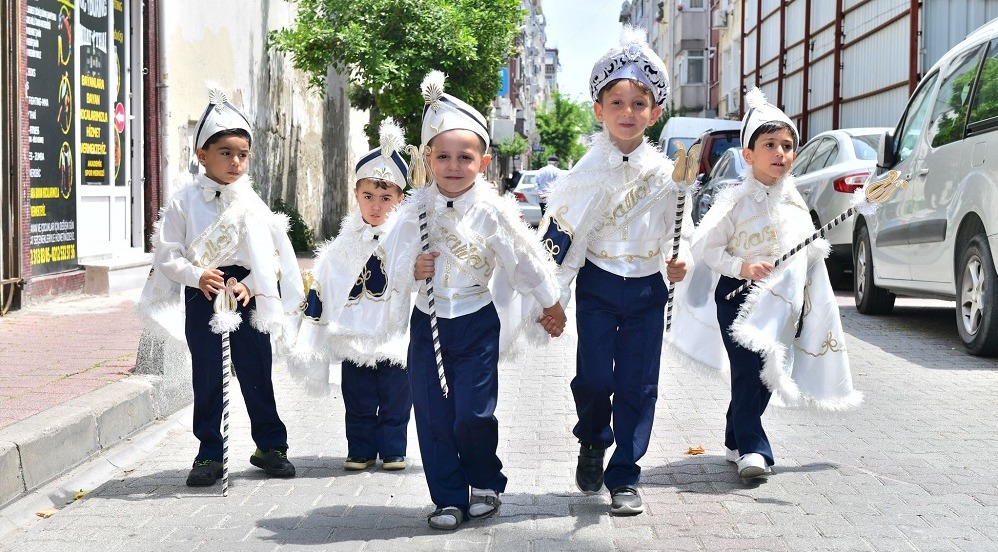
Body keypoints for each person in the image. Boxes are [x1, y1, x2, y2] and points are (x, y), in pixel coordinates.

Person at [381, 70, 567, 530]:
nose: (453, 166)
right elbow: (389, 262)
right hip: (429, 324)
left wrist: (549, 302)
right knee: (432, 416)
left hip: (475, 320)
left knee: (473, 414)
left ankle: (484, 480)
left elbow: (523, 260)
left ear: (483, 162)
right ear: (427, 158)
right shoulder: (413, 211)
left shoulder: (492, 212)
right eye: (442, 156)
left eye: (465, 157)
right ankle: (446, 496)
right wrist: (412, 269)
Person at [667, 87, 861, 479]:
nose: (780, 154)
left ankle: (734, 438)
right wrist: (743, 267)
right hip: (736, 297)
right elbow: (709, 249)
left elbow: (807, 251)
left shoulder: (794, 202)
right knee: (746, 371)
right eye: (770, 144)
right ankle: (754, 450)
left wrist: (809, 258)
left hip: (779, 304)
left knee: (767, 375)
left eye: (788, 146)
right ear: (748, 155)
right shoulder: (733, 201)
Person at [537, 27, 688, 516]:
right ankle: (592, 438)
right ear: (599, 110)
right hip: (599, 285)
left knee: (639, 385)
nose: (628, 113)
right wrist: (552, 297)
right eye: (617, 103)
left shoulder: (669, 176)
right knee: (594, 378)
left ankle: (625, 474)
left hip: (647, 287)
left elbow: (680, 233)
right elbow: (563, 241)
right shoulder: (582, 175)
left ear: (655, 113)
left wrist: (679, 261)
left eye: (638, 104)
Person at [138, 86, 305, 487]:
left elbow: (274, 253)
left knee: (256, 371)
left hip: (245, 295)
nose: (235, 162)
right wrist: (197, 276)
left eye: (242, 155)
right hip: (204, 295)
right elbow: (167, 254)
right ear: (202, 155)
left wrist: (249, 283)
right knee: (208, 374)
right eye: (225, 153)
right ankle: (209, 452)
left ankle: (270, 445)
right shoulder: (182, 202)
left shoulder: (252, 202)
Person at [290, 119, 413, 472]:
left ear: (400, 199)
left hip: (393, 333)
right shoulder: (344, 245)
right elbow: (327, 282)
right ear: (357, 196)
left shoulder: (408, 238)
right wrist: (313, 328)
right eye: (369, 197)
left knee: (395, 396)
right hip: (354, 332)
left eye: (386, 198)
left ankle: (393, 449)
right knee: (357, 396)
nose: (376, 206)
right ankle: (360, 448)